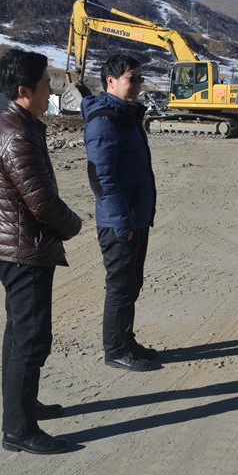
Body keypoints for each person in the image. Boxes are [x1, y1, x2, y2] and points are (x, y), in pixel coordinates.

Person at [0, 48, 83, 454]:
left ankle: (22, 407)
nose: (51, 91)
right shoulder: (17, 135)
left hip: (16, 248)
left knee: (19, 334)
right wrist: (74, 225)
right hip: (23, 251)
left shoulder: (19, 125)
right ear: (24, 91)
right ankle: (19, 429)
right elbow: (41, 202)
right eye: (45, 85)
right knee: (30, 339)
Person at [82, 54, 159, 372]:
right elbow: (101, 176)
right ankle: (115, 350)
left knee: (132, 284)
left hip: (134, 216)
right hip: (119, 221)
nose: (138, 84)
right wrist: (121, 221)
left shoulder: (126, 114)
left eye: (140, 78)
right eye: (132, 79)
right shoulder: (105, 120)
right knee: (120, 287)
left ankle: (127, 341)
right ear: (110, 81)